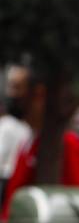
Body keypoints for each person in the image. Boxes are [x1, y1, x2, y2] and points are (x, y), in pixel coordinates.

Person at [0, 63, 79, 219]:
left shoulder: (68, 144)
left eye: (18, 89)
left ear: (39, 95)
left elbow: (77, 201)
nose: (13, 96)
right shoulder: (28, 140)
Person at [0, 67, 33, 203]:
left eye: (18, 87)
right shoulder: (5, 125)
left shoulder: (29, 128)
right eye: (11, 86)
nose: (13, 93)